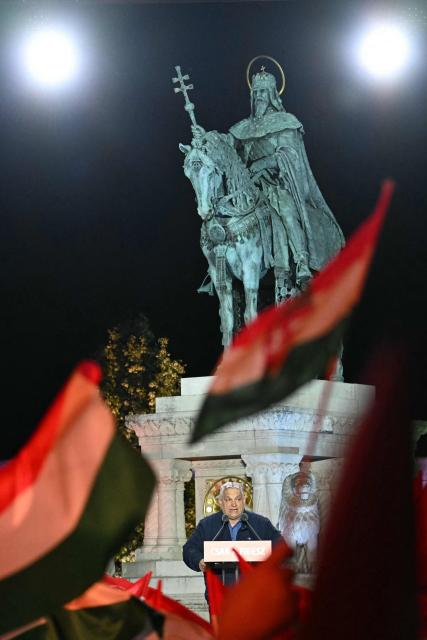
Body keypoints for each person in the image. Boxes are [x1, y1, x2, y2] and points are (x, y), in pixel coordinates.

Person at [228, 67, 345, 291]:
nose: (259, 96)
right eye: (256, 92)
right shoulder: (242, 128)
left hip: (276, 183)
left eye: (264, 91)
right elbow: (227, 147)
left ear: (273, 93)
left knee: (287, 211)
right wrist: (206, 138)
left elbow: (289, 154)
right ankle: (219, 266)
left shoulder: (285, 121)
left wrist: (262, 163)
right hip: (248, 187)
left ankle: (301, 260)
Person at [183, 481, 282, 594]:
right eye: (228, 499)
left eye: (238, 499)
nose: (234, 504)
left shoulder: (260, 524)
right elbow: (189, 549)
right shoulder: (207, 525)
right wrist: (199, 561)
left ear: (244, 501)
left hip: (255, 596)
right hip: (219, 596)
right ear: (220, 502)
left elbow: (280, 546)